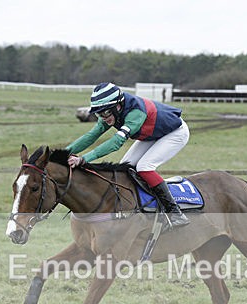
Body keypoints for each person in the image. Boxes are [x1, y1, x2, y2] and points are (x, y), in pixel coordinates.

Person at [67, 82, 190, 228]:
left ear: (118, 106)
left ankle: (175, 213)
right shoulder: (110, 112)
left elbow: (116, 143)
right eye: (99, 113)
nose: (103, 117)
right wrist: (63, 153)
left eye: (106, 112)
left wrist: (83, 159)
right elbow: (92, 135)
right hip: (153, 134)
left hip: (175, 133)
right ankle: (141, 208)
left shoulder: (135, 113)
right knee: (125, 169)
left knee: (144, 167)